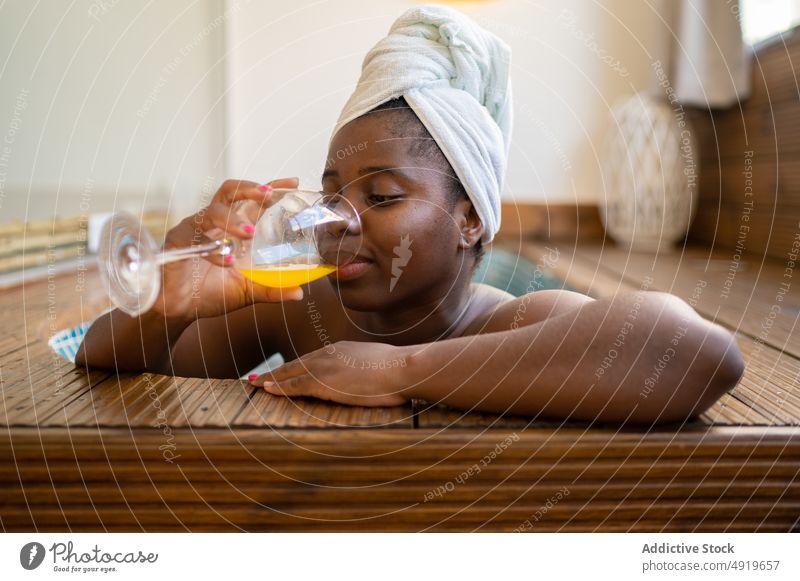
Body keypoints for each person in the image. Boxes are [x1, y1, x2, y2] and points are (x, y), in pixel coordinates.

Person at [76, 5, 744, 424]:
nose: (340, 217)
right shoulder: (300, 311)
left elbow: (703, 354)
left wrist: (399, 372)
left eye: (384, 195)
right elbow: (104, 362)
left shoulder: (507, 323)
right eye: (332, 192)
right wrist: (166, 306)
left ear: (470, 220)